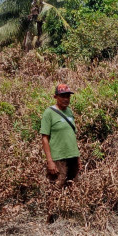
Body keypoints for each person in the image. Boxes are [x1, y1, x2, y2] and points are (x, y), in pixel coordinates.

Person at [40, 83, 80, 222]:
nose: (66, 99)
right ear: (55, 96)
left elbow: (72, 134)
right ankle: (50, 217)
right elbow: (45, 138)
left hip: (72, 155)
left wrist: (77, 156)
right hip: (58, 156)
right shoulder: (49, 113)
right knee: (56, 186)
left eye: (68, 96)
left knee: (72, 185)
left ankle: (68, 214)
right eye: (63, 96)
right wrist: (50, 161)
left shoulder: (69, 112)